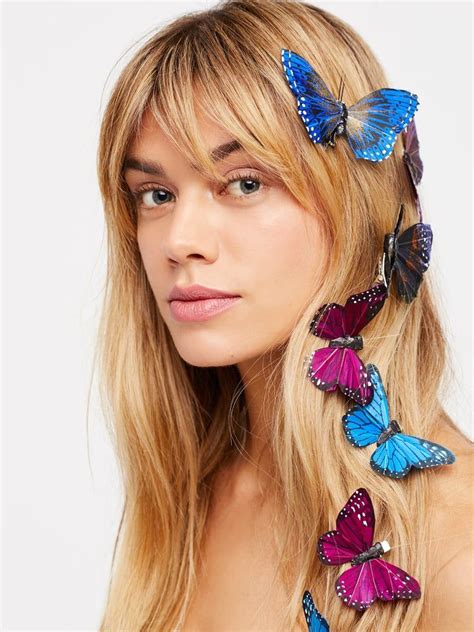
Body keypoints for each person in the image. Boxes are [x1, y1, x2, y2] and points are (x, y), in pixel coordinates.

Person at [95, 1, 473, 630]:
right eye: (156, 195)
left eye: (245, 183)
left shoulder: (458, 556)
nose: (179, 240)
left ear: (354, 205)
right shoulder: (185, 504)